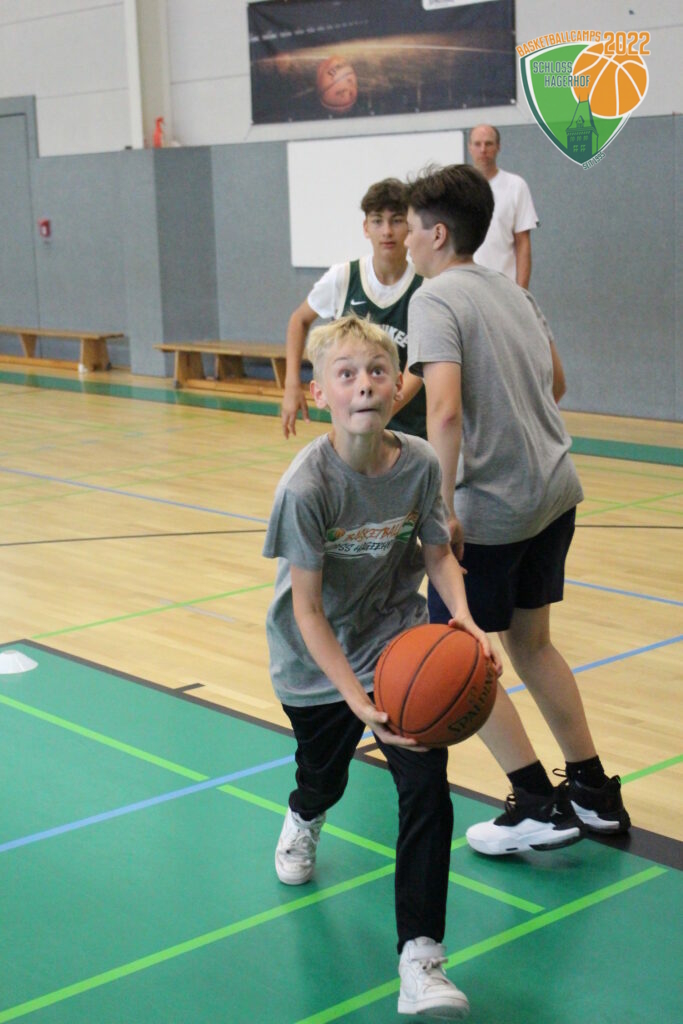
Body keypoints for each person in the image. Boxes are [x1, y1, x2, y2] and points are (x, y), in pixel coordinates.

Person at [264, 313, 500, 1018]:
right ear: (319, 395)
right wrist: (355, 700)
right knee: (324, 776)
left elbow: (437, 554)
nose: (363, 385)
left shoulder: (421, 464)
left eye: (376, 371)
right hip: (314, 661)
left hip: (396, 643)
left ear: (398, 388)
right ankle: (305, 813)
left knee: (425, 787)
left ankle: (421, 958)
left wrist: (463, 616)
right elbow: (308, 611)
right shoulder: (306, 488)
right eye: (345, 374)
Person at [404, 164, 630, 856]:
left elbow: (443, 411)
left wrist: (440, 512)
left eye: (410, 229)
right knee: (531, 644)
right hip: (555, 492)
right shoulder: (514, 291)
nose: (406, 242)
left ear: (436, 234)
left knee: (456, 657)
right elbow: (556, 382)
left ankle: (535, 803)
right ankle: (593, 792)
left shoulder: (434, 299)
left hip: (494, 511)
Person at [281, 177, 426, 440]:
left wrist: (381, 411)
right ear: (366, 227)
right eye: (377, 221)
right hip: (353, 428)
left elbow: (418, 366)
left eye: (396, 220)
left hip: (411, 429)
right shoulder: (344, 277)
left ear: (409, 226)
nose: (387, 231)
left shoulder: (425, 286)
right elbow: (298, 320)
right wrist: (292, 384)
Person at [468, 124, 538, 289]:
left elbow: (523, 243)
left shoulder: (516, 186)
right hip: (468, 287)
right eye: (477, 144)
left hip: (504, 286)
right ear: (470, 148)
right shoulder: (459, 188)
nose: (483, 150)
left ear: (498, 147)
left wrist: (522, 292)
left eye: (488, 144)